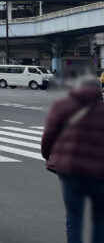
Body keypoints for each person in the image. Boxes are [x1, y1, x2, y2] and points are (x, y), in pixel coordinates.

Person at [41, 78, 104, 243]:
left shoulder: (62, 106)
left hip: (70, 170)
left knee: (74, 218)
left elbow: (48, 136)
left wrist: (48, 156)